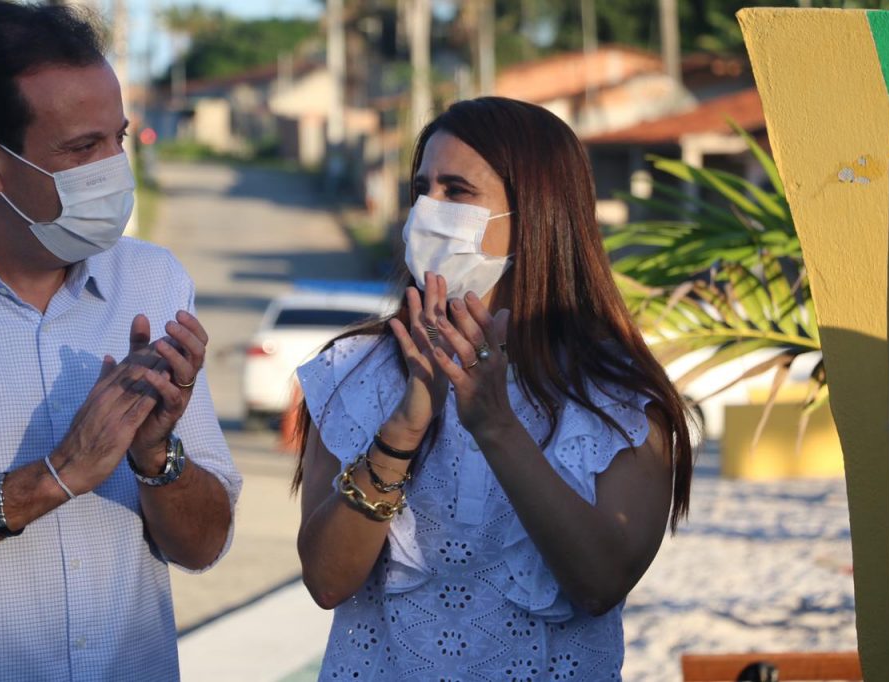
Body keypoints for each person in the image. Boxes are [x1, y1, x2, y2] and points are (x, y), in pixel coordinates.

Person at [0, 3, 241, 680]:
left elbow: (203, 546)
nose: (114, 168)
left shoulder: (153, 281)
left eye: (118, 138)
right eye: (81, 149)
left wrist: (156, 457)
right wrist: (56, 475)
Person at [293, 97, 693, 680]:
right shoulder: (353, 371)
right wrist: (402, 430)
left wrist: (498, 426)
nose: (429, 210)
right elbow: (327, 581)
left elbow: (600, 584)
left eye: (457, 191)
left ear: (536, 214)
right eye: (422, 189)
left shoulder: (617, 396)